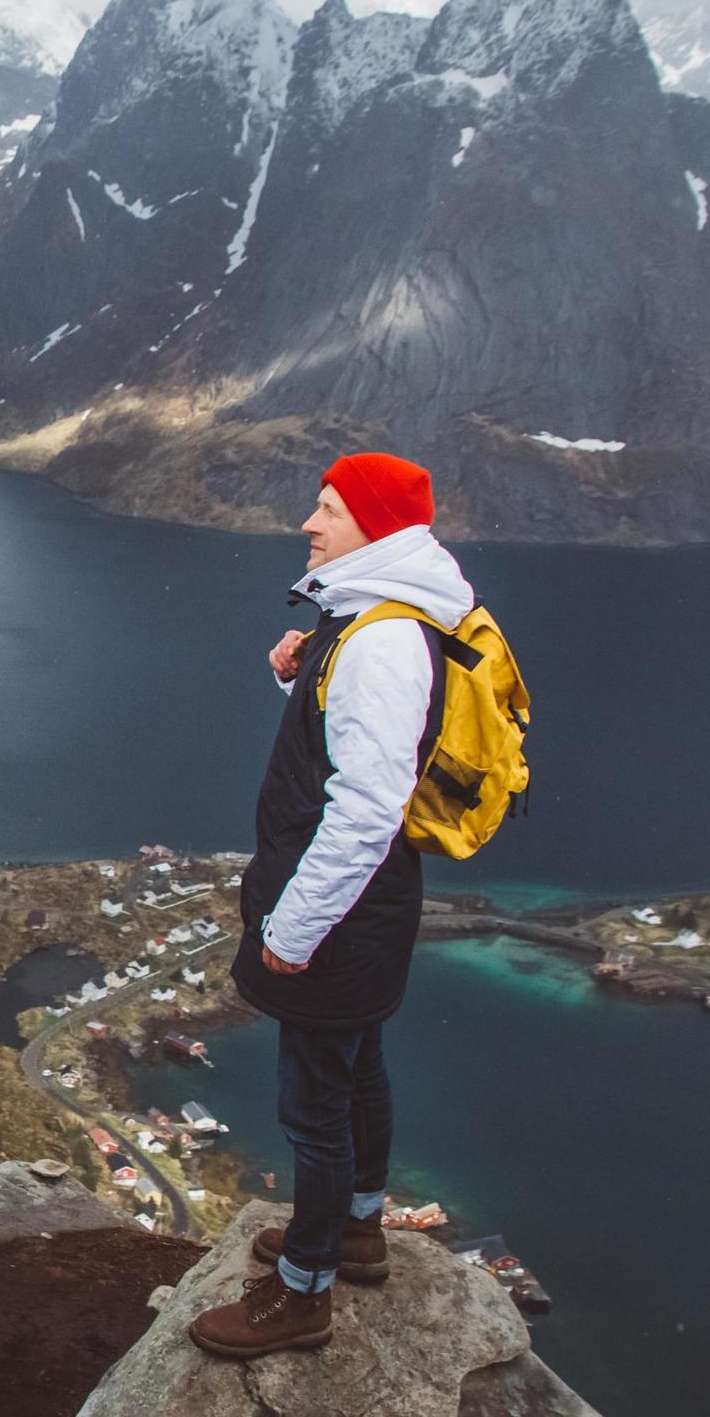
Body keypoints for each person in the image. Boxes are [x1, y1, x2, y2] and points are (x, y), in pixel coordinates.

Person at [190, 452, 475, 1359]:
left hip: (340, 912)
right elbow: (345, 744)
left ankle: (301, 1293)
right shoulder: (368, 621)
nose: (310, 524)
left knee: (314, 1105)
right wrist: (293, 676)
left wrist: (294, 931)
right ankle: (356, 1229)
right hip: (365, 908)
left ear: (377, 526)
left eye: (329, 509)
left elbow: (364, 810)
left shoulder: (383, 641)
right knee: (355, 1072)